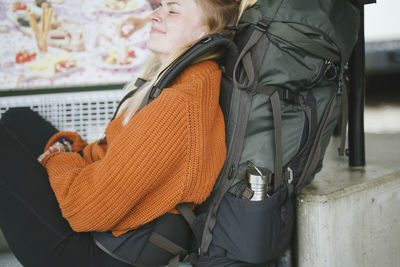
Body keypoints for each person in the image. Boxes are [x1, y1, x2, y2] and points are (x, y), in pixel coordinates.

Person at [0, 0, 256, 266]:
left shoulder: (178, 106)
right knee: (18, 119)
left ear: (207, 31)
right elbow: (114, 151)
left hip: (94, 253)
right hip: (109, 228)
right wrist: (69, 150)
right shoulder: (182, 78)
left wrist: (56, 160)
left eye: (173, 10)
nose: (155, 15)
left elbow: (87, 209)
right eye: (160, 6)